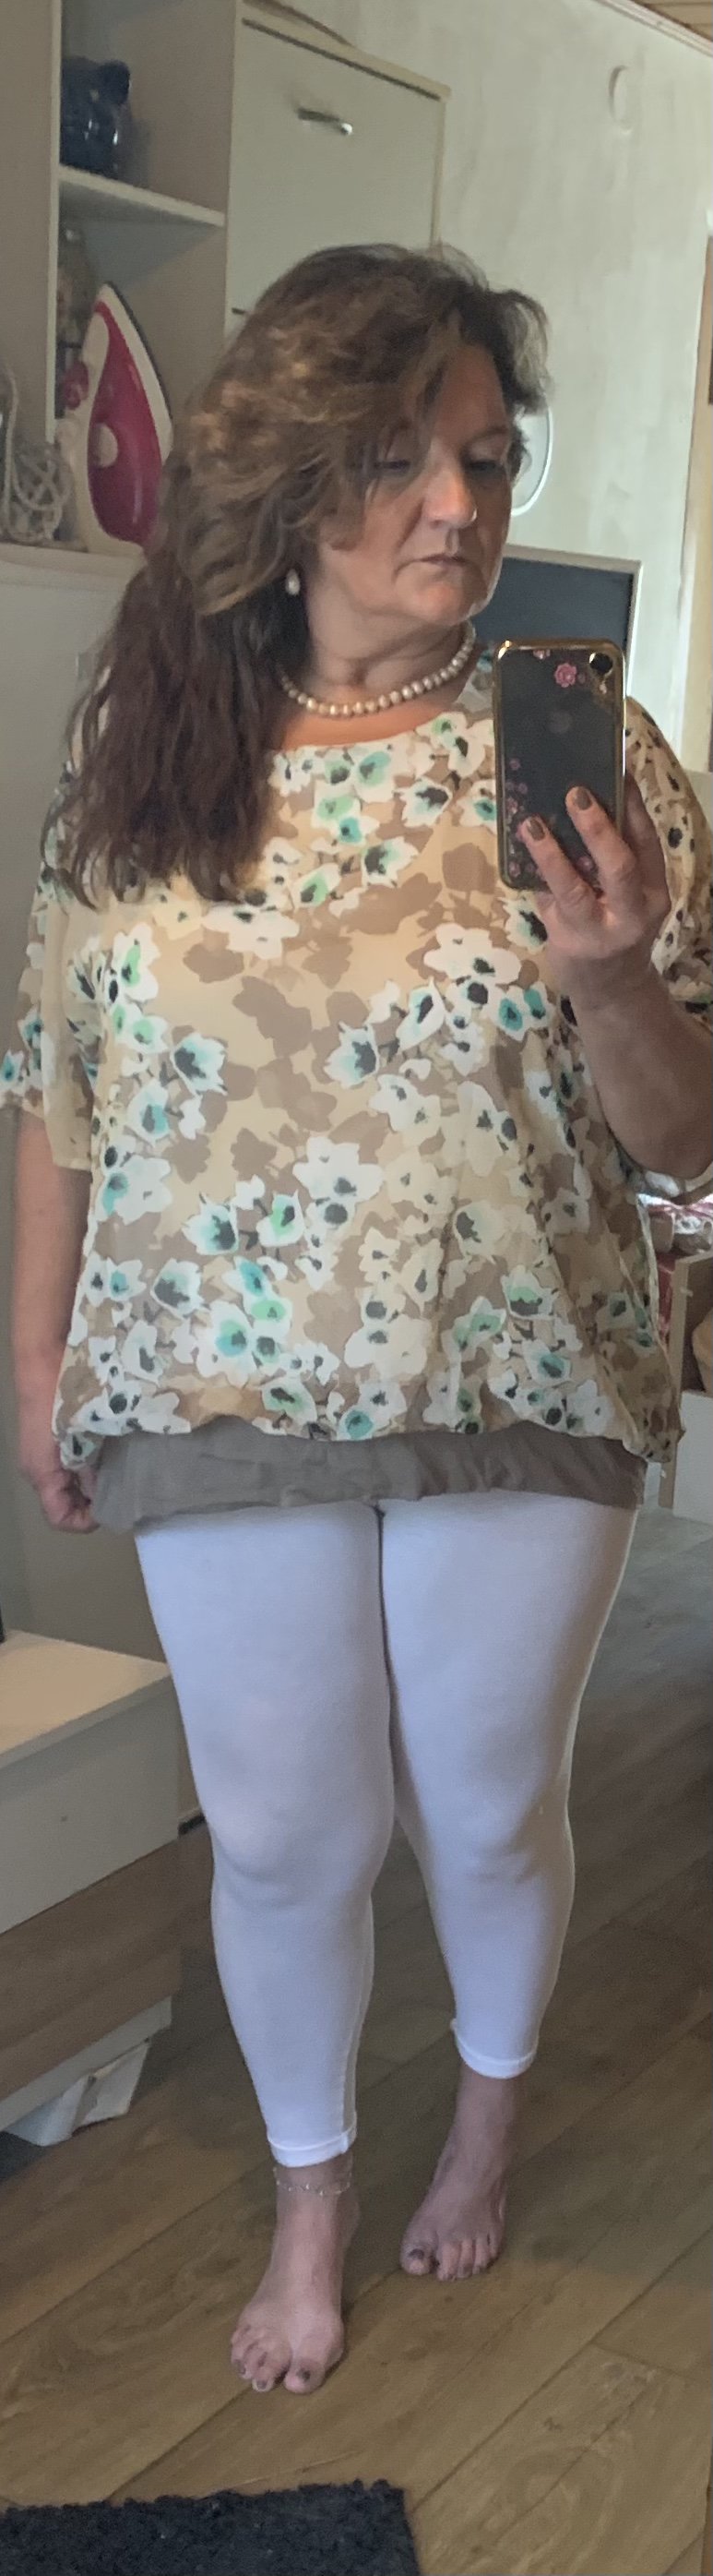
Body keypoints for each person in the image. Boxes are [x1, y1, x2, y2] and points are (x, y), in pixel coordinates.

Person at [4, 246, 711, 2401]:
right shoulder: (152, 754)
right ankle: (310, 2191)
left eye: (487, 457)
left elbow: (688, 1138)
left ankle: (483, 2106)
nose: (458, 505)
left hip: (523, 1363)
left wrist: (611, 974)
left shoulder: (587, 751)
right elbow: (54, 1079)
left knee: (479, 1807)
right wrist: (36, 1355)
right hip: (207, 1374)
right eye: (401, 457)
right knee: (290, 1829)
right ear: (291, 482)